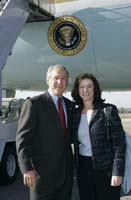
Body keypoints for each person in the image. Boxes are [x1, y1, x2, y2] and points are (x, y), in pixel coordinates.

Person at [16, 64, 74, 200]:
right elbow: (22, 139)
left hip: (65, 176)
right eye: (56, 78)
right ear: (48, 80)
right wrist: (27, 169)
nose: (60, 82)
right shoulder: (34, 104)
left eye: (64, 78)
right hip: (41, 175)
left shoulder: (69, 105)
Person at [71, 73, 126, 200]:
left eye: (89, 86)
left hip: (106, 169)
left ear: (95, 88)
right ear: (77, 90)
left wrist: (117, 172)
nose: (85, 90)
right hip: (83, 168)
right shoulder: (75, 114)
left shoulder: (108, 110)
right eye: (82, 87)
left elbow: (119, 144)